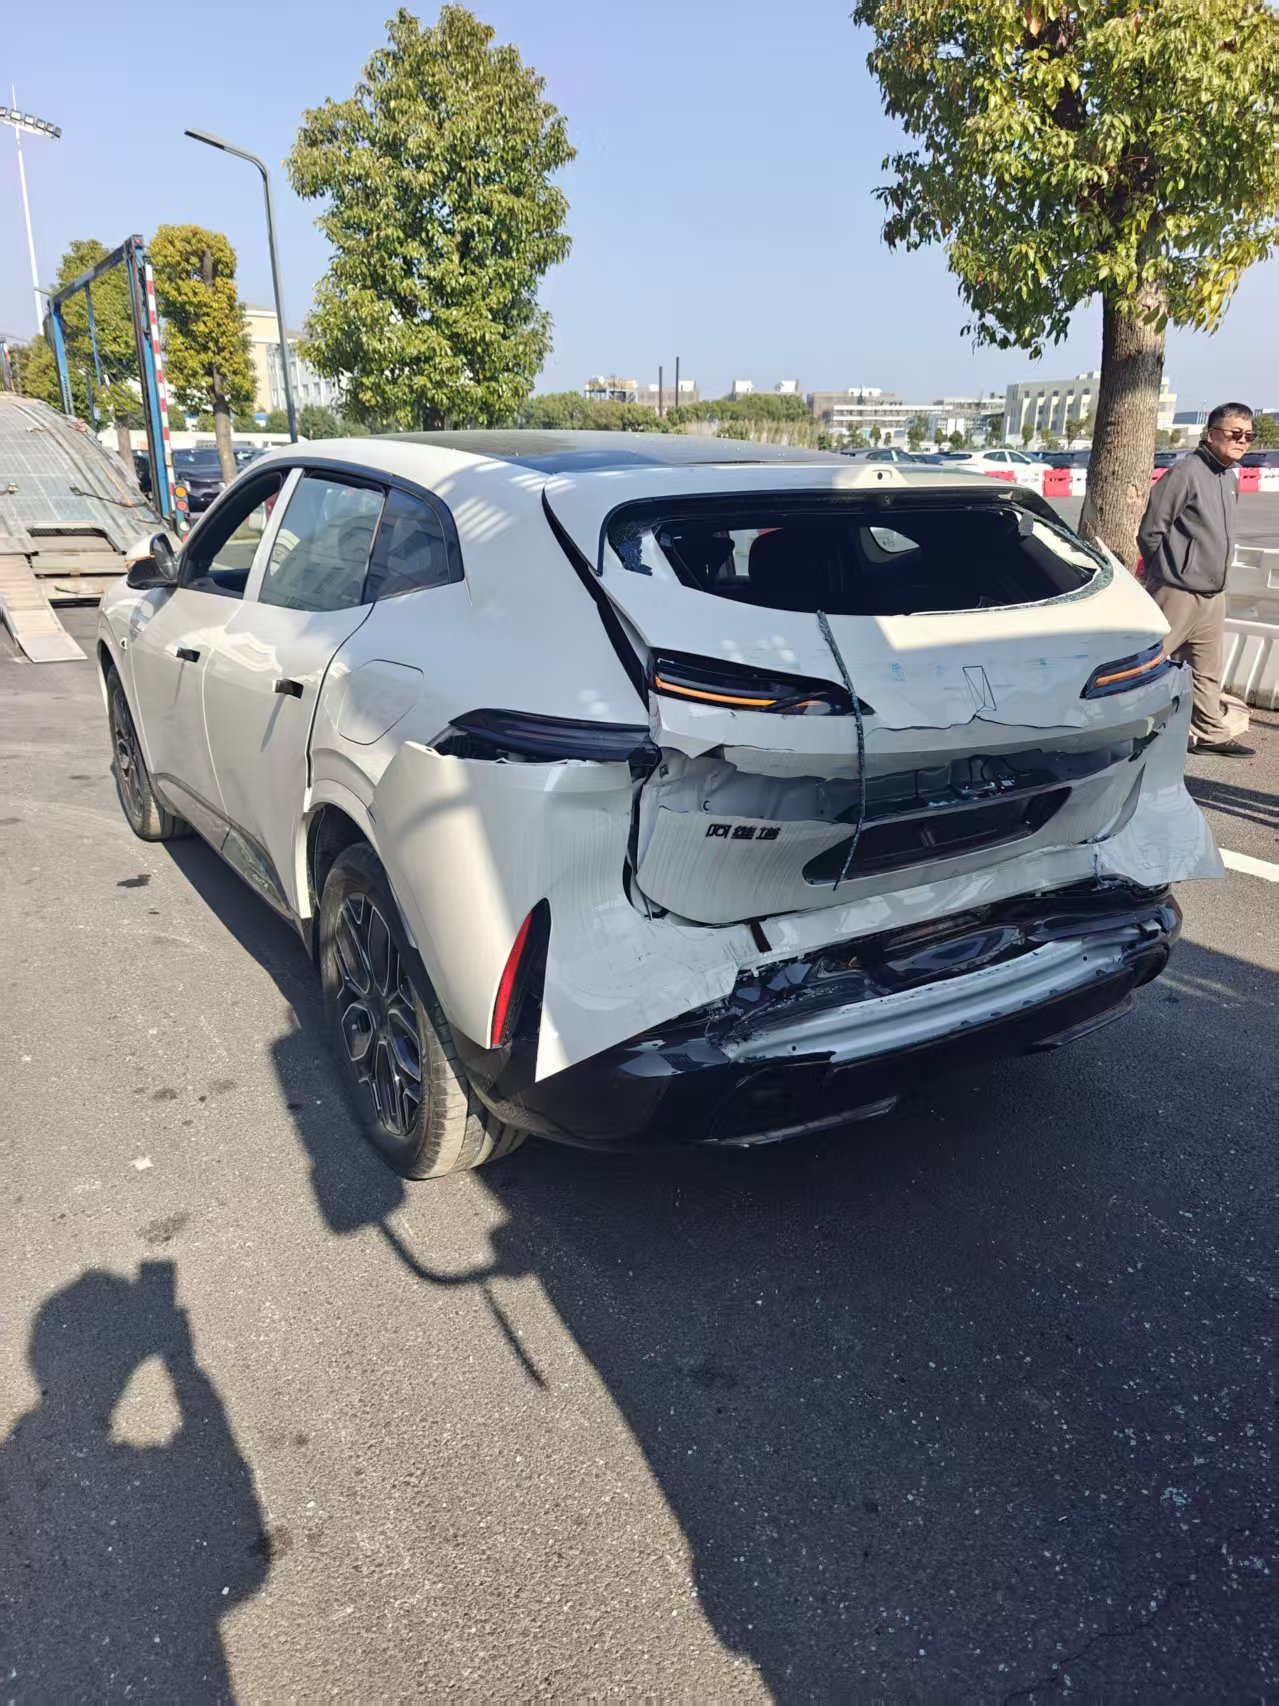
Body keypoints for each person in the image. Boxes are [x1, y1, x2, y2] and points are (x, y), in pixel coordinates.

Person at [1137, 402, 1255, 756]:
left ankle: (1210, 734)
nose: (1242, 441)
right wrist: (1169, 572)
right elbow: (1150, 531)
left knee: (1207, 670)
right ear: (1212, 434)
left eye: (1248, 436)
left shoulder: (1228, 478)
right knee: (1146, 664)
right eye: (1235, 434)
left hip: (1213, 594)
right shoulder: (1186, 473)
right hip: (1177, 591)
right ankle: (1118, 725)